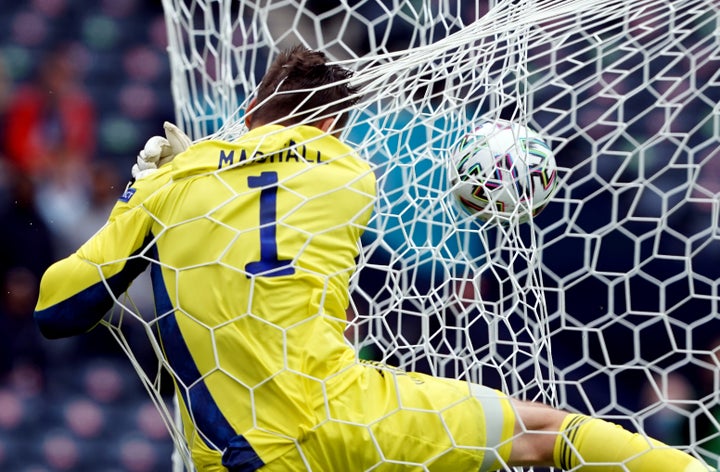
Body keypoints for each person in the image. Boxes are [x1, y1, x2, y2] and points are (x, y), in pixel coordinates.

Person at [34, 45, 712, 472]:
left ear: (250, 109)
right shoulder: (350, 172)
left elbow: (60, 310)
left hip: (243, 449)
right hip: (354, 413)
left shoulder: (180, 183)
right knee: (546, 434)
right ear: (333, 125)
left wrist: (139, 194)